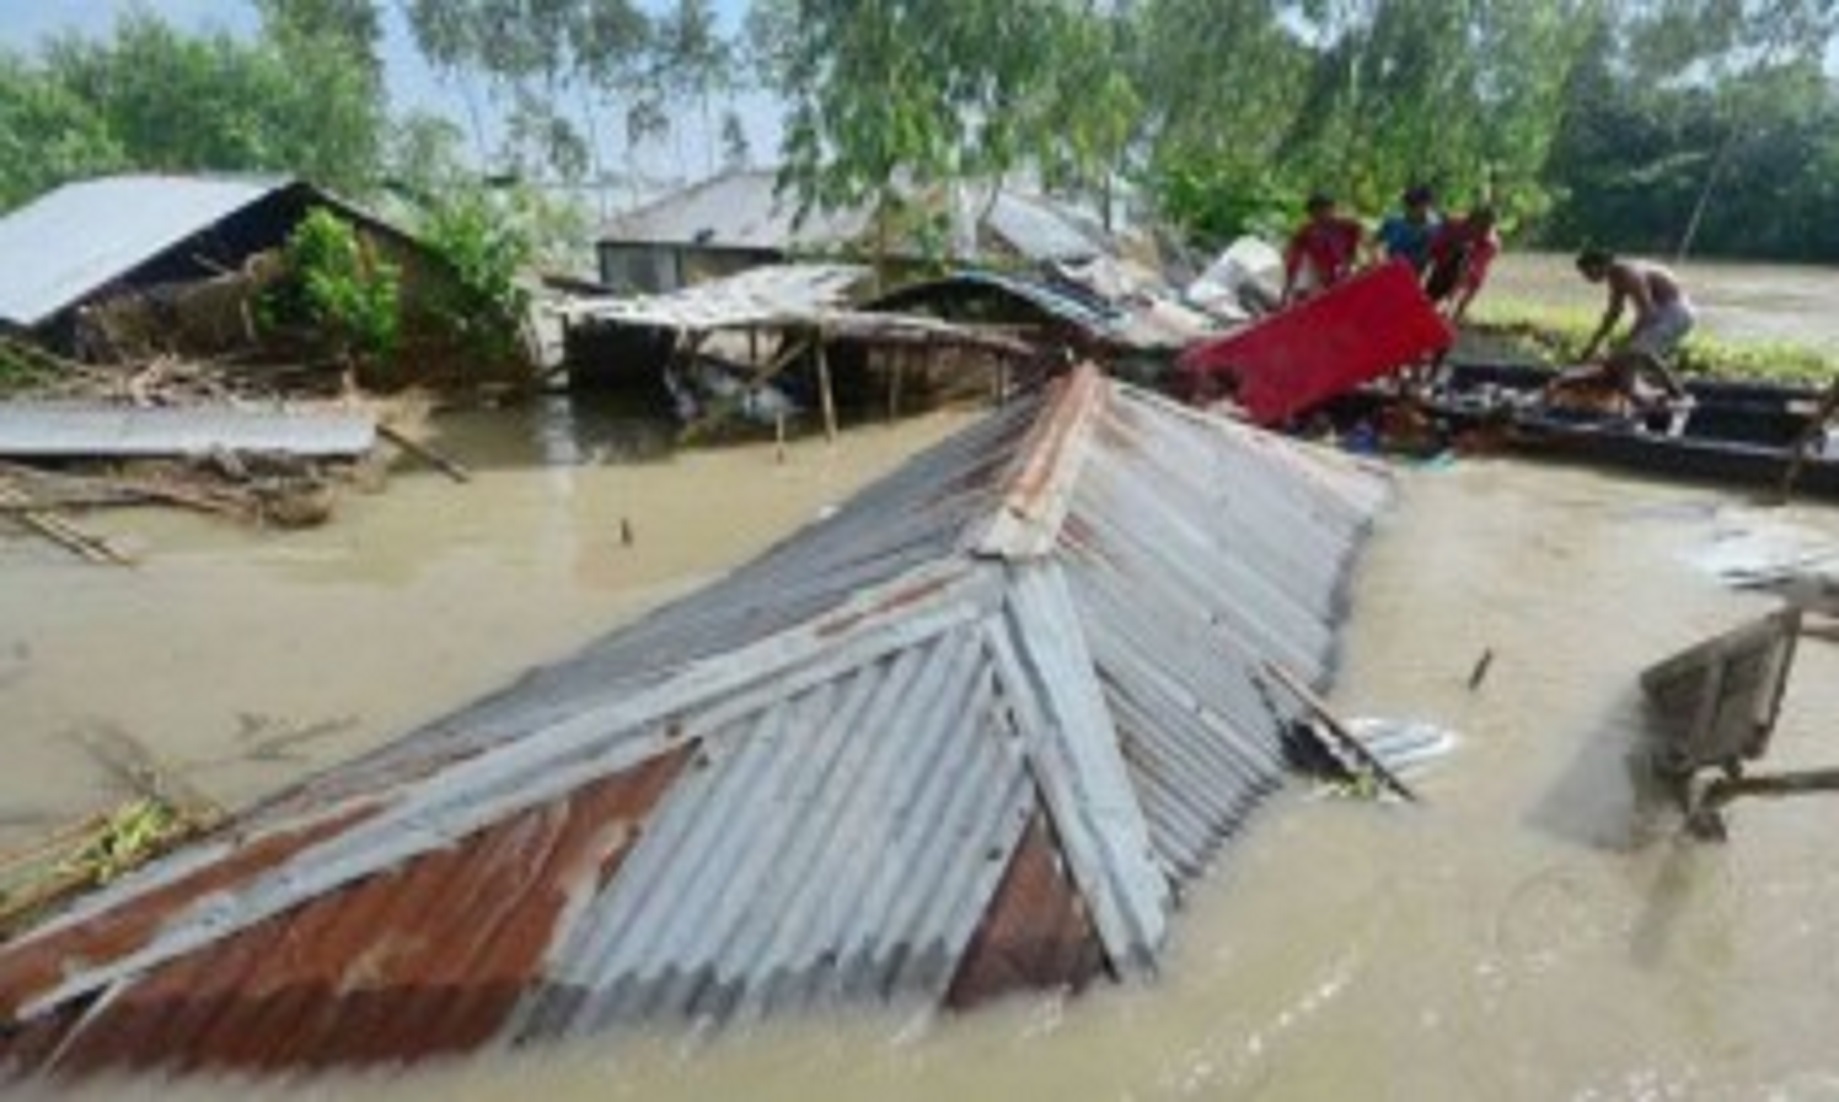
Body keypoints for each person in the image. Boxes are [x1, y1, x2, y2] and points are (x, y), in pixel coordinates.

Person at [1574, 248, 1694, 401]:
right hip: (1664, 312)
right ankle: (1674, 392)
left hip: (1676, 313)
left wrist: (1626, 342)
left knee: (1629, 356)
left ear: (1601, 265)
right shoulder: (1615, 276)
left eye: (1587, 272)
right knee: (1637, 352)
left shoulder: (1630, 274)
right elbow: (1613, 315)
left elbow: (1647, 314)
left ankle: (1646, 399)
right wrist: (1593, 344)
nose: (1587, 278)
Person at [1281, 193, 1365, 305]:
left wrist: (1349, 264)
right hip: (1321, 274)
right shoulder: (1307, 231)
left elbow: (1358, 246)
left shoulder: (1348, 225)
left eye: (1323, 210)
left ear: (1332, 208)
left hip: (1345, 269)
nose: (1319, 215)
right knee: (1307, 293)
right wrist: (1286, 293)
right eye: (1314, 213)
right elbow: (1293, 260)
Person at [1422, 205, 1500, 323]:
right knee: (1430, 298)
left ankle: (1451, 317)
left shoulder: (1489, 244)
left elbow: (1471, 273)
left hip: (1468, 272)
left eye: (1482, 229)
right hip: (1445, 262)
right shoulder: (1454, 225)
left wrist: (1451, 300)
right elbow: (1434, 247)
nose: (1476, 231)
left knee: (1455, 303)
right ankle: (1428, 307)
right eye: (1475, 226)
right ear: (1469, 221)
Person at [1376, 184, 1441, 274]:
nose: (1412, 209)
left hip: (1410, 276)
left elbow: (1428, 260)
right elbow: (1379, 244)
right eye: (1410, 205)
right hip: (1387, 270)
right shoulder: (1394, 222)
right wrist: (1381, 258)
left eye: (1417, 205)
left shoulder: (1434, 229)